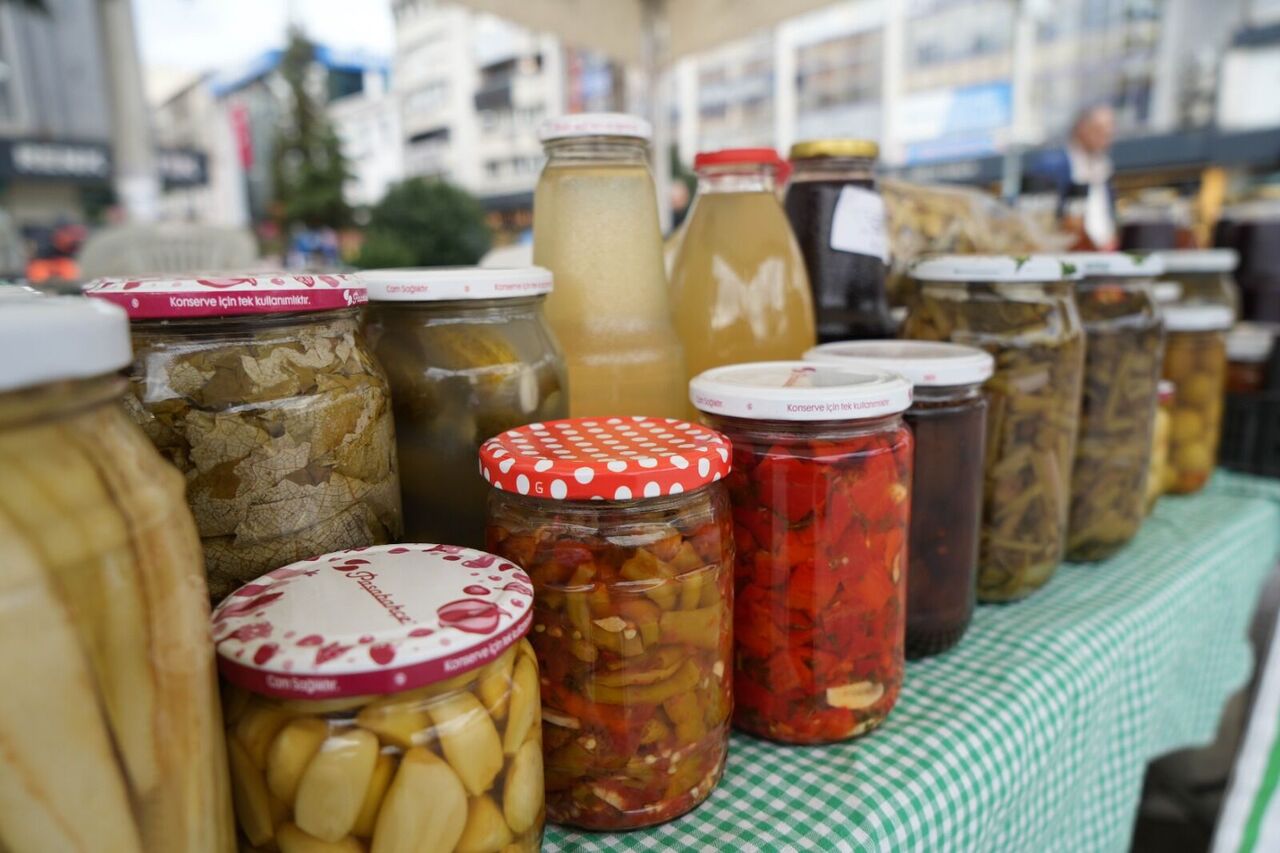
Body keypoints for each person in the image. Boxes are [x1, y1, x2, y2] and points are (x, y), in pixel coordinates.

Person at [1031, 103, 1118, 250]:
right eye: (1099, 130)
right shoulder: (1054, 165)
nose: (1106, 137)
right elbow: (1040, 218)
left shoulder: (1104, 168)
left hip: (1104, 252)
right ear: (1081, 127)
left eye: (1109, 132)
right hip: (1069, 252)